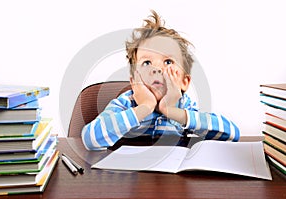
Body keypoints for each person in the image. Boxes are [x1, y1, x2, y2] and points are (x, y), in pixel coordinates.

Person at [81, 10, 240, 151]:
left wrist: (173, 112)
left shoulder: (184, 105)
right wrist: (144, 107)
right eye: (147, 63)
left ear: (184, 82)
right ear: (134, 81)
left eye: (168, 62)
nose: (157, 69)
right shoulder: (126, 103)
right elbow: (90, 139)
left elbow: (232, 134)